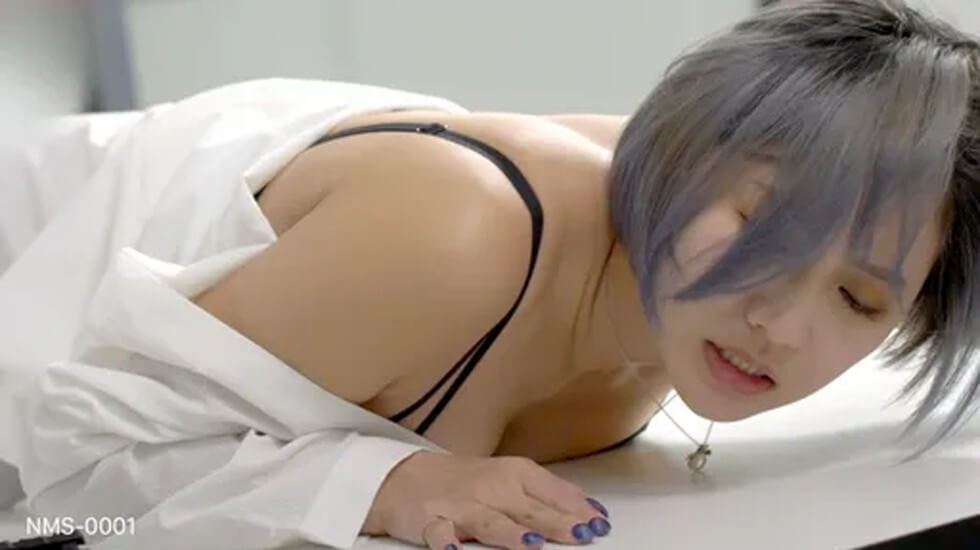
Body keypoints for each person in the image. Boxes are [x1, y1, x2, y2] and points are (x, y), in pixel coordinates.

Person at [1, 0, 979, 549]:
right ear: (685, 144)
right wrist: (380, 482)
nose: (780, 321)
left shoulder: (667, 311)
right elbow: (70, 471)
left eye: (858, 298)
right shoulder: (455, 239)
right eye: (761, 226)